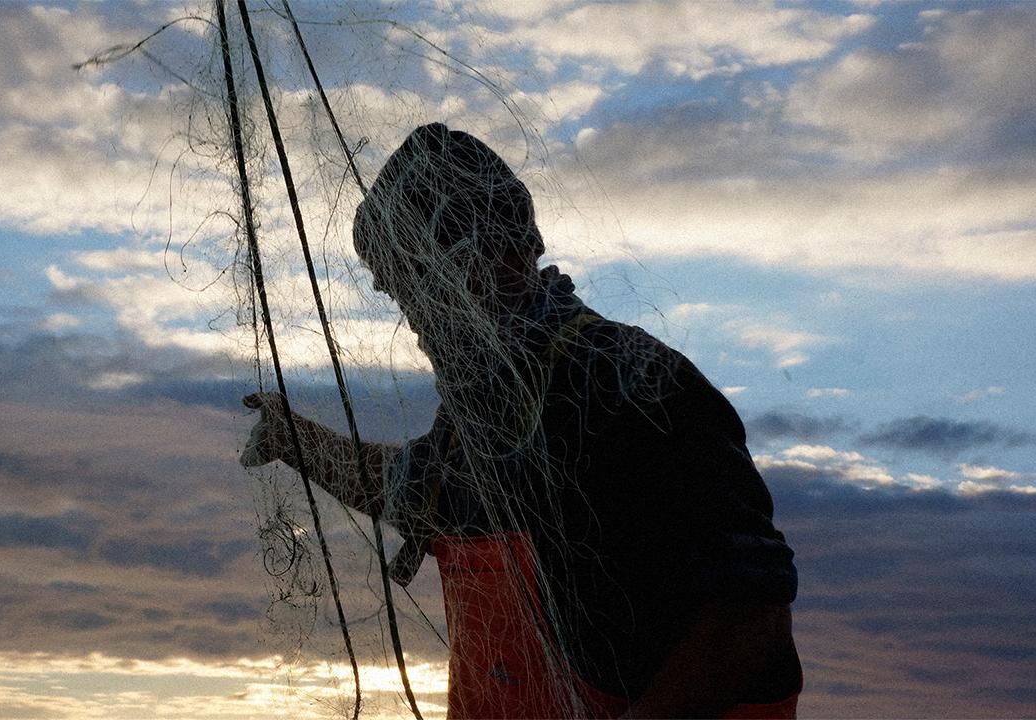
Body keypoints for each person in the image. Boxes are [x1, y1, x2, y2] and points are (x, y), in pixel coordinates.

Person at [241, 123, 802, 719]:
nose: (412, 315)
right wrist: (296, 440)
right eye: (398, 290)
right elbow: (411, 488)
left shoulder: (627, 384)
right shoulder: (484, 415)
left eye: (414, 281)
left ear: (490, 251)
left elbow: (748, 617)